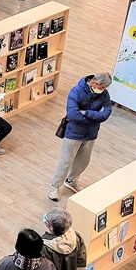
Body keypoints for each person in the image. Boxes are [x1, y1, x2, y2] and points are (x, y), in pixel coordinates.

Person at [49, 72, 112, 201]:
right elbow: (73, 115)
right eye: (101, 87)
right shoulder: (76, 91)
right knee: (66, 161)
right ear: (94, 83)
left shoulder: (104, 95)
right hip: (73, 133)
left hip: (91, 134)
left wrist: (86, 113)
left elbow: (106, 114)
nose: (103, 90)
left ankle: (71, 180)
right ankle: (55, 186)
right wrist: (95, 117)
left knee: (84, 160)